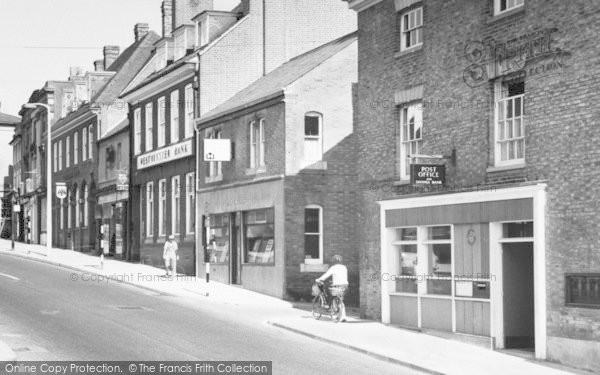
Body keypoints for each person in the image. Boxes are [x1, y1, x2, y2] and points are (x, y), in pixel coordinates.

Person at [316, 254, 348, 322]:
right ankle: (343, 316)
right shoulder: (344, 267)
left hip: (337, 285)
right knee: (341, 299)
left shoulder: (334, 267)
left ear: (334, 261)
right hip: (345, 285)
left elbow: (326, 275)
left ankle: (329, 307)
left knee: (331, 295)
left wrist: (319, 279)